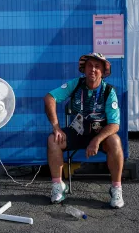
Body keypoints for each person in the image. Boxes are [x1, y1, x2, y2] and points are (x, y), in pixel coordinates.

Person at [44, 53, 124, 208]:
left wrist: (96, 140)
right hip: (77, 131)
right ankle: (58, 186)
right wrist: (56, 127)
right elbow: (49, 98)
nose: (93, 69)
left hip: (100, 134)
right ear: (84, 68)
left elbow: (115, 125)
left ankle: (116, 188)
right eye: (89, 65)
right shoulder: (76, 84)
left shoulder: (109, 91)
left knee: (115, 140)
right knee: (53, 140)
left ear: (103, 71)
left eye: (97, 66)